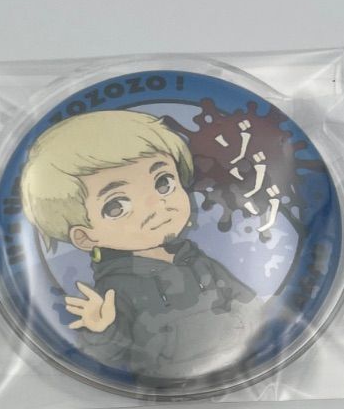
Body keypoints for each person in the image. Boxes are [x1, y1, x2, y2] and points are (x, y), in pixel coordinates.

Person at [19, 109, 258, 382]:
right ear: (85, 237)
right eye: (117, 206)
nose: (156, 204)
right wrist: (101, 329)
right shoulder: (117, 289)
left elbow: (247, 302)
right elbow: (108, 359)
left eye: (163, 182)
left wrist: (263, 325)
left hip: (237, 359)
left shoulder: (194, 259)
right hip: (164, 380)